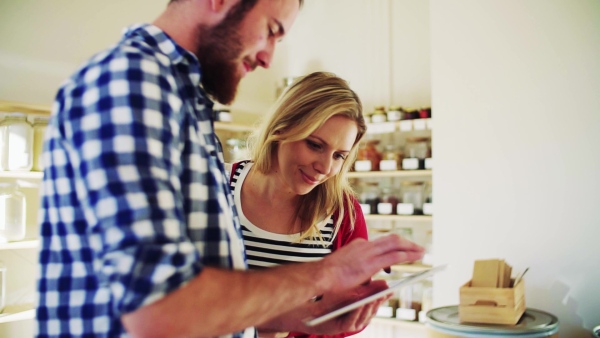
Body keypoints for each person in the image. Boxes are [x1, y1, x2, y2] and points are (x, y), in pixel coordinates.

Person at [36, 1, 425, 338]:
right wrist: (324, 273)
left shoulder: (179, 100)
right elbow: (161, 309)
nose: (268, 58)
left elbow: (196, 305)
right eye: (271, 31)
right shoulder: (134, 84)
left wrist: (308, 317)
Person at [228, 72, 372, 338]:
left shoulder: (343, 213)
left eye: (339, 155)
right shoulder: (219, 186)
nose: (326, 168)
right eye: (315, 145)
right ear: (282, 128)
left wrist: (355, 306)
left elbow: (347, 317)